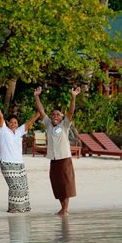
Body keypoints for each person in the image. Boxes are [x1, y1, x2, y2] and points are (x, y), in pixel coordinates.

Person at [34, 86, 80, 216]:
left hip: (64, 158)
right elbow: (41, 111)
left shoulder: (64, 125)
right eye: (53, 114)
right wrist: (36, 96)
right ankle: (62, 208)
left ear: (61, 117)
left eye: (57, 114)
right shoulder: (48, 124)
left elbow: (71, 112)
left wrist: (73, 96)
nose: (55, 116)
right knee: (57, 184)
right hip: (53, 159)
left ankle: (65, 209)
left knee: (66, 185)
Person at [0, 93, 39, 213]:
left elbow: (31, 121)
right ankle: (13, 208)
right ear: (8, 123)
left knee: (23, 187)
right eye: (11, 122)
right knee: (14, 186)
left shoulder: (19, 132)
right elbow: (0, 116)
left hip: (19, 164)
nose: (13, 124)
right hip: (7, 163)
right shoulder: (3, 130)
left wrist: (40, 111)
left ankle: (23, 208)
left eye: (15, 123)